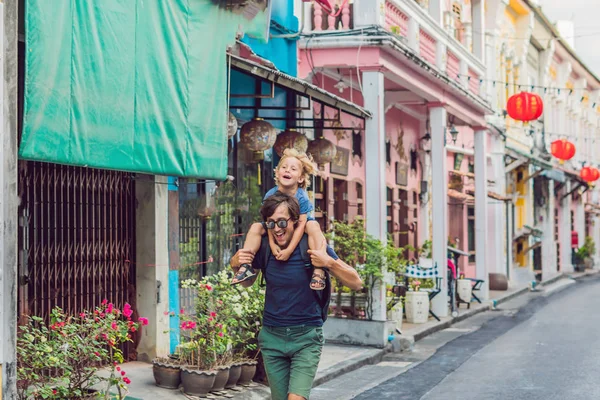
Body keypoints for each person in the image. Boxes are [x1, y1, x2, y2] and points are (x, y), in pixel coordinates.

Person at [229, 192, 363, 400]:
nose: (277, 229)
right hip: (272, 338)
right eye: (271, 223)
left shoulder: (310, 245)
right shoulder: (264, 247)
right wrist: (234, 264)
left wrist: (328, 262)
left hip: (306, 338)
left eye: (282, 222)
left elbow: (356, 282)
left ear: (295, 221)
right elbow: (247, 282)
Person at [231, 149, 328, 291]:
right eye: (284, 167)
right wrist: (272, 244)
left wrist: (288, 250)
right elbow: (269, 221)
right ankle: (246, 266)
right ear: (277, 173)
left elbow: (301, 225)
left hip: (300, 225)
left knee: (312, 225)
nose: (287, 170)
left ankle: (319, 271)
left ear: (300, 178)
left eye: (293, 169)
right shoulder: (270, 194)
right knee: (256, 227)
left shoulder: (302, 196)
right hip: (277, 224)